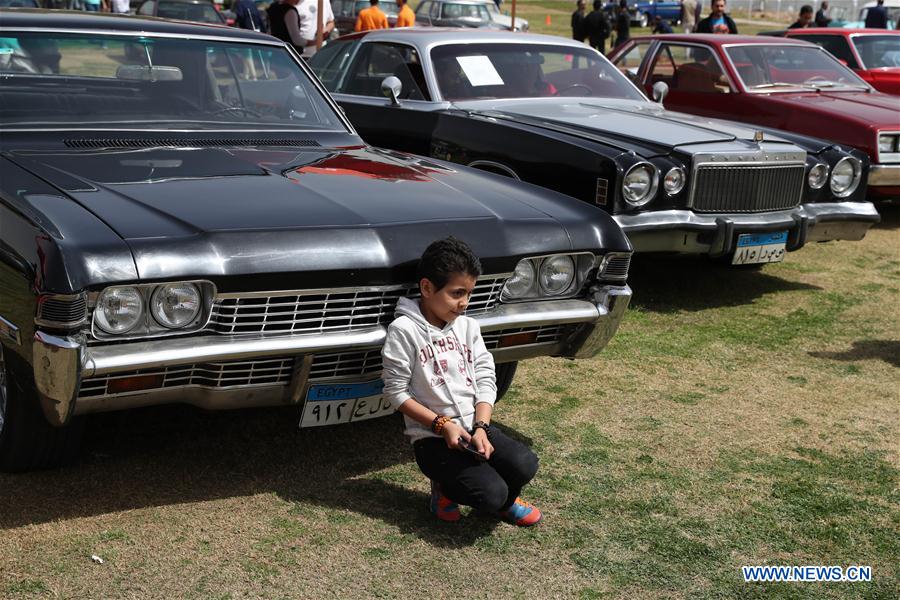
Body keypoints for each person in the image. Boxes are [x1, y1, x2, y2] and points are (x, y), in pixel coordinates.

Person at [382, 237, 542, 526]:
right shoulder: (404, 330)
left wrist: (481, 427)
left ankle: (506, 502)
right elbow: (396, 393)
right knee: (490, 493)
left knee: (525, 464)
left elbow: (484, 375)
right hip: (433, 439)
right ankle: (445, 490)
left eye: (469, 293)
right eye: (457, 293)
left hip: (474, 429)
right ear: (427, 288)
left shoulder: (468, 327)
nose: (464, 303)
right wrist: (443, 425)